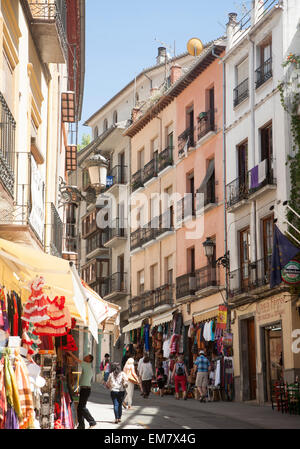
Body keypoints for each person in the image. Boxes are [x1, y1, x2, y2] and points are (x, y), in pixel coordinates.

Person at [67, 351, 97, 429]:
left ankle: (92, 421)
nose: (85, 356)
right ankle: (81, 425)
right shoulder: (87, 366)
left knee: (82, 407)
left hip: (85, 389)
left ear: (89, 359)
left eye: (87, 356)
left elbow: (77, 360)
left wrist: (70, 353)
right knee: (80, 407)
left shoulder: (86, 364)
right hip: (84, 389)